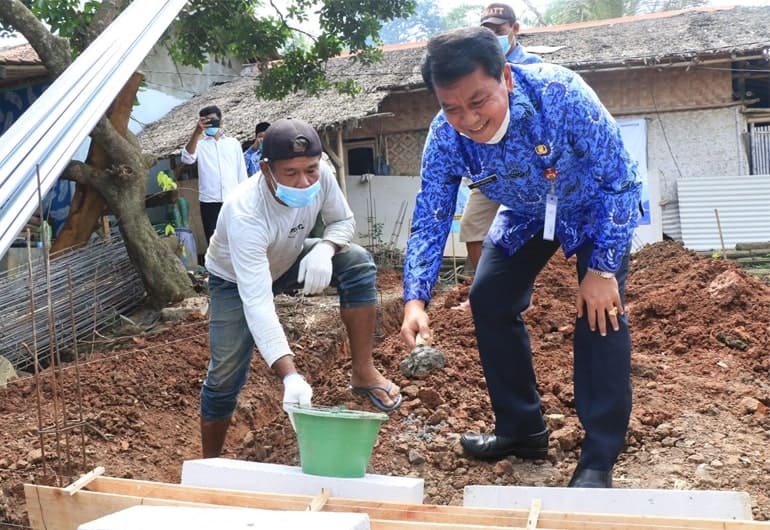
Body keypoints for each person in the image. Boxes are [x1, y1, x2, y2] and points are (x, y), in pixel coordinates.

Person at [400, 27, 641, 488]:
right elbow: (432, 215)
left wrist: (602, 269)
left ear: (506, 77)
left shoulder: (562, 95)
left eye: (478, 101)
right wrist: (415, 299)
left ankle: (599, 456)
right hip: (528, 213)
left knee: (600, 314)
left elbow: (623, 184)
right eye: (451, 107)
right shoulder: (445, 137)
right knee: (489, 296)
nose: (468, 119)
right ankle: (522, 430)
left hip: (593, 206)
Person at [200, 118, 403, 458]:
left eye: (310, 169)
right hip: (234, 280)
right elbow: (258, 304)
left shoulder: (321, 175)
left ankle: (364, 372)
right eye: (291, 173)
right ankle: (208, 463)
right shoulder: (245, 211)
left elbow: (343, 220)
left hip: (290, 256)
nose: (304, 180)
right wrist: (290, 377)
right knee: (223, 375)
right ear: (266, 169)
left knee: (357, 261)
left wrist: (326, 248)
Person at [456, 3, 543, 309]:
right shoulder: (472, 70)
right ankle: (485, 293)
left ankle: (523, 296)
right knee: (473, 227)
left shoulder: (533, 67)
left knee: (532, 235)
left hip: (531, 168)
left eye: (499, 30)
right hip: (490, 167)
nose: (493, 36)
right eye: (487, 32)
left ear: (515, 29)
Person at [181, 105, 248, 244]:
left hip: (233, 200)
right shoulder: (199, 144)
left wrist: (245, 199)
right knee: (215, 242)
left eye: (213, 120)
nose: (210, 124)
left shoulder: (233, 143)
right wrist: (196, 132)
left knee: (238, 239)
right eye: (206, 121)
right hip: (209, 202)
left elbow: (241, 173)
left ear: (221, 121)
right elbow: (187, 158)